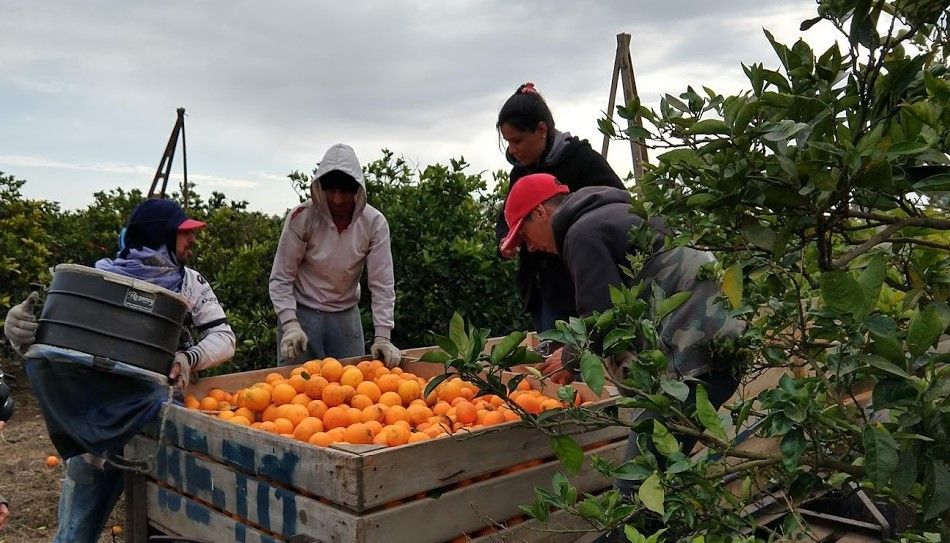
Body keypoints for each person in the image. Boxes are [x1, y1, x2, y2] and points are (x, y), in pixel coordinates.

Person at [3, 198, 236, 543]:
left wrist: (190, 357)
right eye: (183, 234)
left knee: (170, 522)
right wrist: (19, 331)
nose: (191, 241)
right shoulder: (101, 280)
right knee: (77, 527)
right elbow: (58, 343)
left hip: (161, 417)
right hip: (98, 418)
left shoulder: (190, 283)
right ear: (162, 236)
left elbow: (225, 337)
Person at [499, 173, 743, 476]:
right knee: (665, 473)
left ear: (540, 212)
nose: (530, 248)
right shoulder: (610, 213)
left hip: (693, 360)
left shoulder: (581, 233)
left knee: (639, 480)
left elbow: (604, 319)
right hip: (718, 342)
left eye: (524, 236)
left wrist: (569, 358)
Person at [495, 82, 626, 333]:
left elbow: (618, 205)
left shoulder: (581, 161)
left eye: (517, 140)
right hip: (543, 290)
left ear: (541, 130)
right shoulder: (519, 172)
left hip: (581, 284)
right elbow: (507, 218)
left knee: (586, 349)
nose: (512, 150)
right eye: (508, 142)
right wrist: (506, 240)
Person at [270, 143, 400, 367]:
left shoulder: (374, 223)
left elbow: (382, 284)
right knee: (293, 393)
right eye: (332, 191)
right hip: (302, 314)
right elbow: (282, 277)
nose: (337, 200)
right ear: (321, 189)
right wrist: (290, 324)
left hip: (345, 318)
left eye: (344, 192)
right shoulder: (302, 218)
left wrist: (383, 337)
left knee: (353, 389)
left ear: (357, 191)